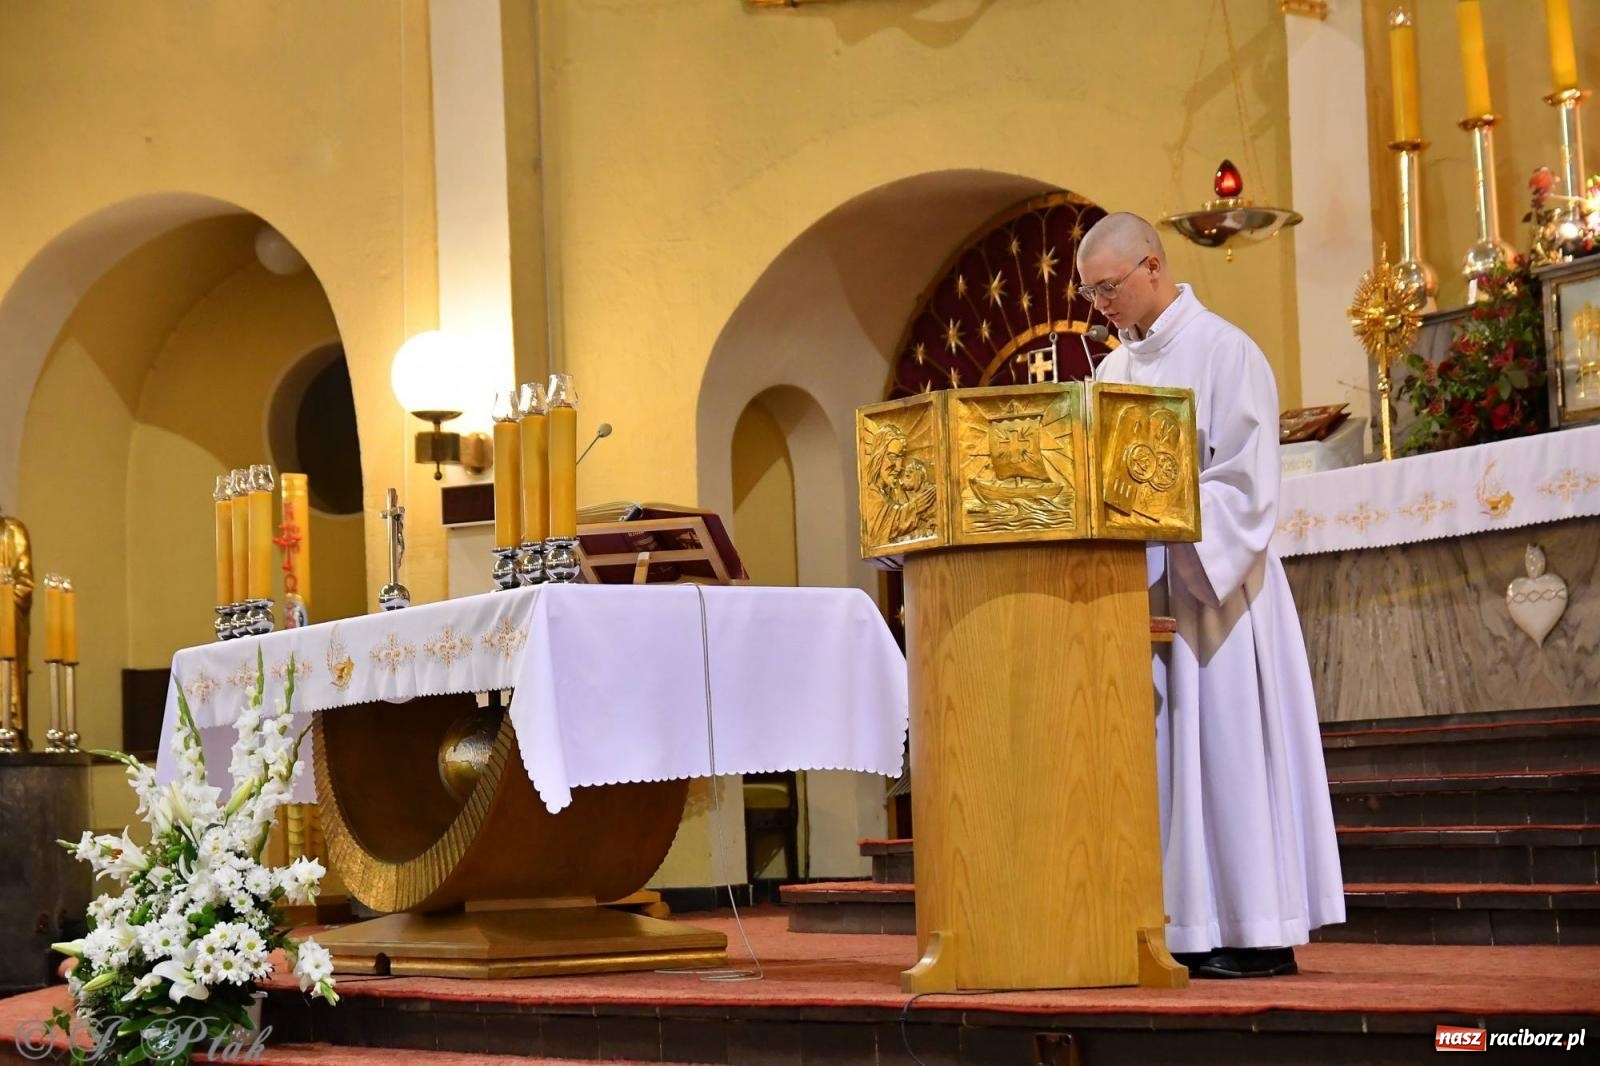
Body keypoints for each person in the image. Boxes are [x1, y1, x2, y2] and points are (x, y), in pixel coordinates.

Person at [1074, 212, 1345, 979]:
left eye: (1109, 287)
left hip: (1215, 598)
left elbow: (1246, 489)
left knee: (1226, 755)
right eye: (1090, 291)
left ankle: (1256, 932)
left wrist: (1165, 522)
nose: (1100, 304)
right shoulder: (1112, 374)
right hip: (1142, 595)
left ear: (1153, 267)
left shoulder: (1227, 352)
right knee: (1166, 764)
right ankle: (1182, 926)